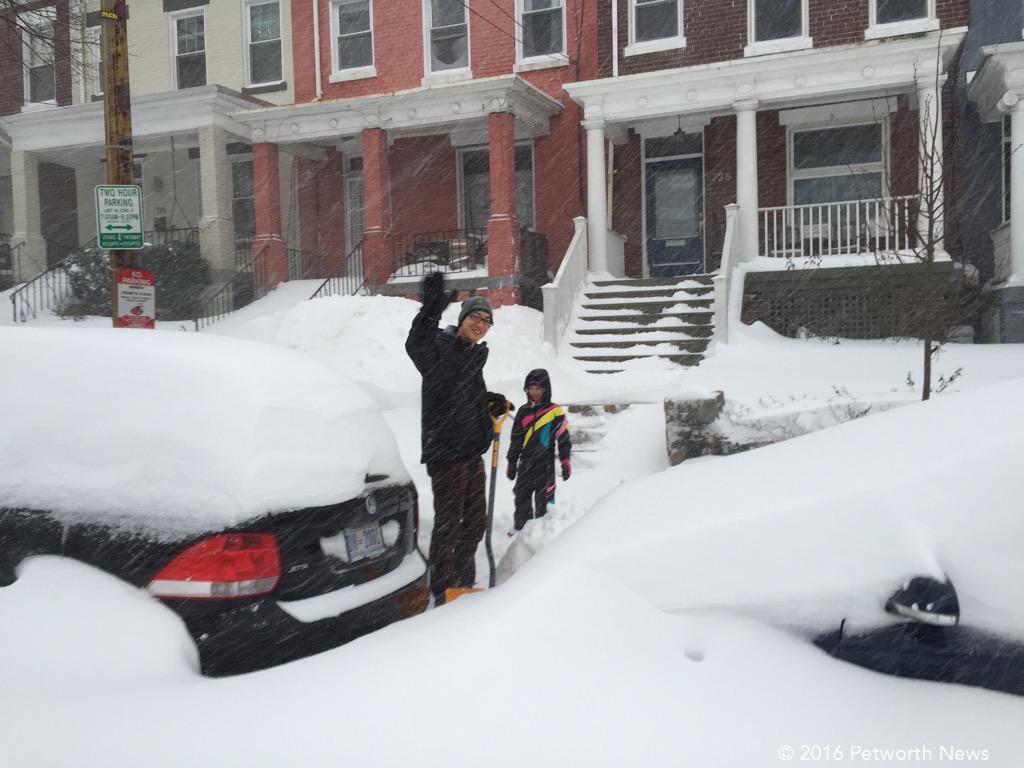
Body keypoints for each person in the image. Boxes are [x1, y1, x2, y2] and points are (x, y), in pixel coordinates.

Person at [405, 272, 510, 605]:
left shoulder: (472, 356)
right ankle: (444, 589)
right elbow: (415, 343)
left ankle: (464, 583)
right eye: (475, 317)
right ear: (462, 319)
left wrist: (488, 400)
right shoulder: (439, 347)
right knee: (450, 525)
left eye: (486, 321)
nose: (480, 324)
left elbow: (464, 393)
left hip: (470, 451)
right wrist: (430, 309)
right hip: (446, 452)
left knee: (475, 521)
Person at [505, 368, 571, 534]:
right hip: (526, 463)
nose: (534, 393)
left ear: (545, 389)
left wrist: (565, 461)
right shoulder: (523, 411)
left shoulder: (555, 411)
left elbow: (563, 439)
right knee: (522, 496)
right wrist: (512, 462)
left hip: (545, 463)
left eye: (538, 389)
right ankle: (520, 529)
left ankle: (543, 533)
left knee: (545, 498)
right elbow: (516, 440)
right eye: (531, 389)